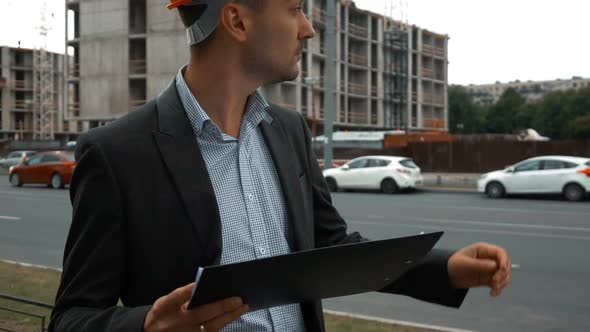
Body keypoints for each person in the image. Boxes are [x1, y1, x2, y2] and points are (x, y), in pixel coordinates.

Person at [50, 1, 511, 331]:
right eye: (294, 9)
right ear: (236, 19)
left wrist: (444, 269)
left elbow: (332, 248)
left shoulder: (289, 130)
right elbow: (72, 317)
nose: (307, 28)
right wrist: (147, 326)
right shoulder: (116, 153)